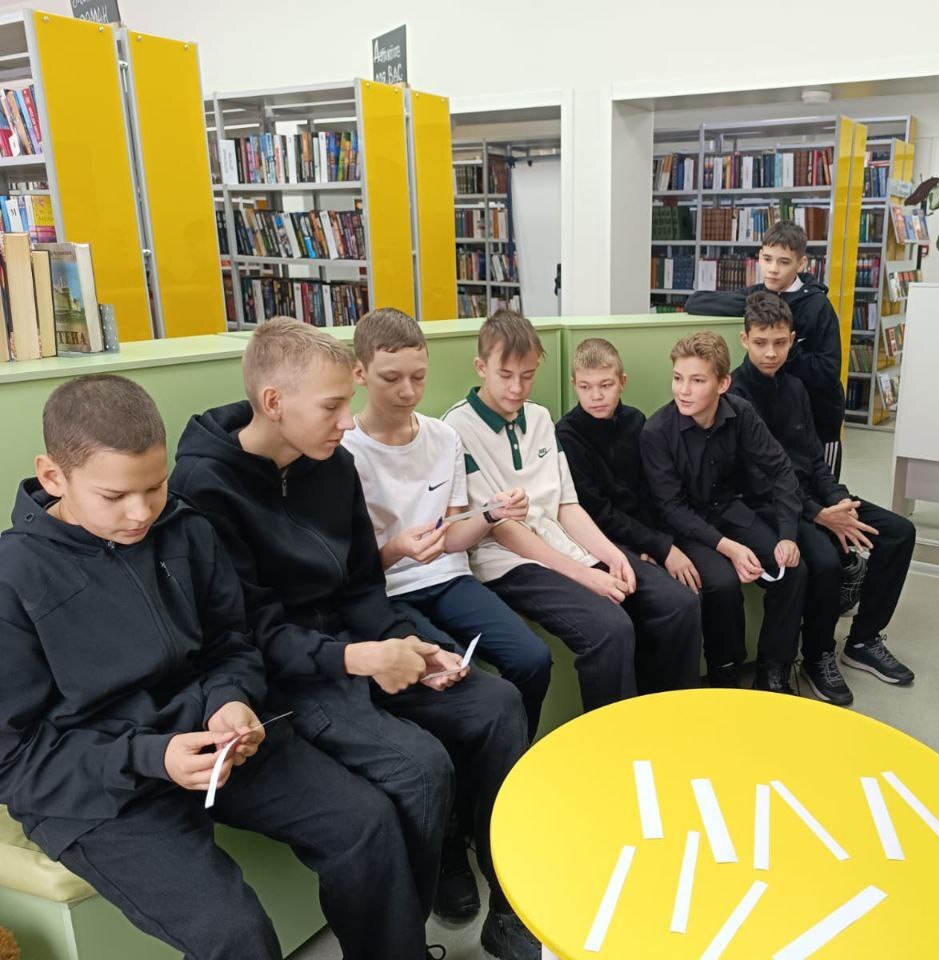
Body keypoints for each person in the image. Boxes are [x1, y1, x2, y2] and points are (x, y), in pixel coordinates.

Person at [0, 375, 426, 960]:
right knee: (236, 933)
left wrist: (231, 698)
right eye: (114, 496)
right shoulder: (13, 579)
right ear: (53, 476)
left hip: (211, 738)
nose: (140, 513)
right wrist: (151, 757)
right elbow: (14, 760)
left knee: (366, 823)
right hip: (99, 786)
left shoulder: (184, 527)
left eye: (154, 486)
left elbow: (232, 642)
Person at [169, 319, 537, 960]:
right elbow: (246, 636)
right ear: (275, 402)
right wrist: (362, 658)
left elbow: (364, 584)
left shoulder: (333, 464)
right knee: (420, 768)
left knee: (496, 703)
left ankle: (509, 906)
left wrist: (410, 644)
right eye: (332, 406)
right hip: (289, 677)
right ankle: (401, 939)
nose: (347, 421)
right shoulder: (205, 489)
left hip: (355, 642)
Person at [441, 310, 702, 708]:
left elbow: (567, 505)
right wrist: (585, 575)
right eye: (505, 375)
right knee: (611, 629)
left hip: (565, 543)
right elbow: (503, 530)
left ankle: (667, 716)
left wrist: (614, 556)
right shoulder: (456, 428)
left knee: (678, 604)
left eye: (528, 375)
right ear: (481, 367)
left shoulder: (540, 417)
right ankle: (610, 737)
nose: (517, 387)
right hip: (509, 562)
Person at [343, 308, 551, 735]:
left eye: (419, 377)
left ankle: (516, 757)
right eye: (391, 378)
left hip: (450, 579)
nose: (408, 391)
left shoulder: (443, 438)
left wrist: (490, 513)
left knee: (532, 658)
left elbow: (452, 538)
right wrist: (397, 549)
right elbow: (349, 575)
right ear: (359, 373)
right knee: (463, 678)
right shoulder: (344, 450)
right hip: (387, 590)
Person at [729, 291, 916, 700]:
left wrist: (840, 502)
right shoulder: (735, 396)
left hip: (816, 499)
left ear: (792, 340)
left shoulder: (796, 388)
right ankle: (817, 654)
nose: (771, 353)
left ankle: (863, 640)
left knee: (899, 533)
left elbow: (815, 458)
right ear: (745, 340)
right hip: (773, 506)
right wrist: (818, 514)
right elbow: (758, 479)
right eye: (761, 343)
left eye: (780, 343)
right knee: (827, 560)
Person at [640, 330, 809, 694]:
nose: (683, 390)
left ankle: (773, 670)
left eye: (697, 380)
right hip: (686, 527)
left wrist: (787, 536)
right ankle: (724, 672)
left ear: (722, 384)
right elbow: (671, 508)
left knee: (792, 569)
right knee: (722, 583)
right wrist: (730, 549)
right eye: (678, 378)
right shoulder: (656, 431)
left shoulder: (740, 412)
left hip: (731, 511)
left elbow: (781, 469)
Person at [555, 337, 710, 657]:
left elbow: (651, 491)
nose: (596, 396)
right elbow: (598, 513)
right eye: (585, 387)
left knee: (700, 584)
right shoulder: (566, 435)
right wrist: (656, 547)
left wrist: (656, 544)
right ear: (574, 385)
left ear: (622, 382)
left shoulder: (637, 422)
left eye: (606, 385)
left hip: (644, 536)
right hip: (600, 541)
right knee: (679, 601)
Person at [686, 220, 845, 473]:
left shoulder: (818, 306)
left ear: (801, 264)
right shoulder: (759, 294)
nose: (772, 269)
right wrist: (762, 309)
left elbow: (828, 370)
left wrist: (787, 347)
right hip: (778, 417)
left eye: (784, 262)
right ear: (759, 257)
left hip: (819, 420)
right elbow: (695, 302)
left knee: (822, 481)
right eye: (767, 259)